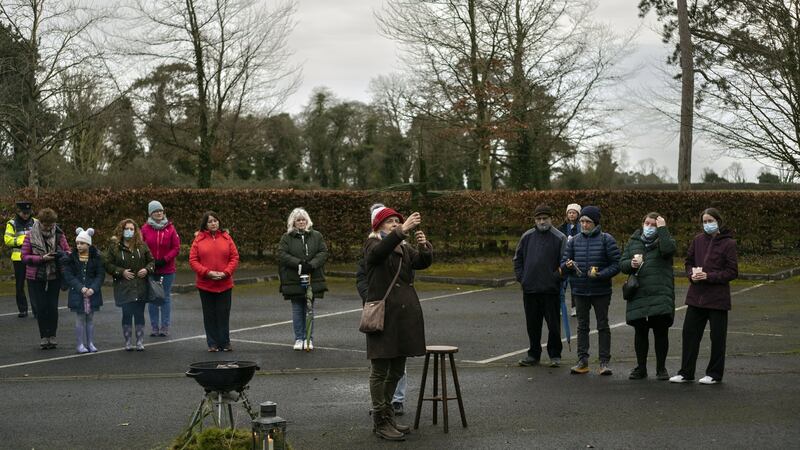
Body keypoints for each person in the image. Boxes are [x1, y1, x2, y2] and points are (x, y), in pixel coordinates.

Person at [363, 205, 431, 441]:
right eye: (390, 221)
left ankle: (388, 415)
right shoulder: (373, 244)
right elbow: (379, 253)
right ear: (379, 225)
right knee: (380, 370)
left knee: (397, 370)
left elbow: (421, 263)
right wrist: (402, 231)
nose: (395, 224)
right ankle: (380, 420)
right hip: (384, 316)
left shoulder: (402, 246)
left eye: (397, 221)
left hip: (403, 317)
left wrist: (424, 246)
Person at [671, 208, 738, 385]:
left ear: (718, 221)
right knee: (689, 334)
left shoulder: (729, 243)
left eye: (710, 221)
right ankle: (686, 372)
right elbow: (688, 262)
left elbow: (732, 272)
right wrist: (691, 274)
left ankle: (714, 374)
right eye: (704, 221)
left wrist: (709, 276)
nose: (707, 224)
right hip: (696, 297)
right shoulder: (698, 240)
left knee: (717, 338)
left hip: (717, 299)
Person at [560, 205, 620, 375]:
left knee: (602, 325)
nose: (584, 225)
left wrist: (601, 274)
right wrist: (568, 265)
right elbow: (564, 263)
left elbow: (616, 264)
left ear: (595, 223)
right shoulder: (574, 241)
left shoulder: (606, 239)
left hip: (601, 291)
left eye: (587, 221)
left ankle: (603, 362)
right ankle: (582, 361)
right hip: (579, 290)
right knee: (582, 326)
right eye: (582, 221)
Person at [619, 213, 677, 380]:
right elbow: (622, 264)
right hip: (638, 294)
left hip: (659, 294)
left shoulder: (666, 240)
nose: (650, 227)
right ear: (642, 223)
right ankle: (641, 367)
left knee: (660, 332)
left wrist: (663, 229)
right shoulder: (633, 241)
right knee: (640, 332)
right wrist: (630, 264)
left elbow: (668, 250)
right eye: (647, 223)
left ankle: (661, 368)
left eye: (654, 224)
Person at [513, 204, 567, 368]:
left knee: (553, 326)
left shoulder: (559, 237)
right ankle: (533, 354)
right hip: (530, 289)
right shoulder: (527, 236)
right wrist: (522, 278)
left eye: (545, 218)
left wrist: (555, 278)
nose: (542, 221)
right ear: (534, 220)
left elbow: (565, 262)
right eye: (539, 219)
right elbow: (518, 259)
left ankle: (555, 355)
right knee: (532, 325)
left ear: (551, 219)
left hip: (550, 290)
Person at [278, 208, 328, 351]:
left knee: (309, 309)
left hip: (312, 278)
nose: (301, 222)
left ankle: (308, 339)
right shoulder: (286, 237)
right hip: (294, 279)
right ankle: (299, 338)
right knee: (297, 309)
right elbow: (282, 254)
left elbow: (323, 252)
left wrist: (312, 265)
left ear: (307, 221)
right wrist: (299, 263)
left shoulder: (317, 236)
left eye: (303, 219)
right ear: (293, 222)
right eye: (298, 220)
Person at [189, 211, 240, 352]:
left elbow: (234, 257)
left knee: (223, 313)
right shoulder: (198, 240)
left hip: (225, 283)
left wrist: (226, 273)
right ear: (205, 224)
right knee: (209, 314)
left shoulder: (227, 238)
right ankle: (212, 343)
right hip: (206, 284)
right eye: (210, 221)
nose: (213, 223)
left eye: (215, 221)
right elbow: (193, 260)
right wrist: (207, 273)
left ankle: (225, 342)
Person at [21, 208, 70, 349]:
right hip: (36, 275)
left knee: (52, 307)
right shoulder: (30, 235)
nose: (49, 227)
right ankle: (44, 336)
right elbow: (24, 257)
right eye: (46, 225)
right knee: (41, 307)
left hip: (54, 274)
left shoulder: (59, 234)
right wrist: (41, 258)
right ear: (40, 222)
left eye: (51, 225)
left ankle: (52, 335)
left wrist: (60, 254)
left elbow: (68, 251)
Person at [105, 219, 154, 351]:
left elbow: (151, 261)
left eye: (132, 229)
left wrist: (147, 269)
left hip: (140, 286)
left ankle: (139, 341)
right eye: (127, 228)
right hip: (124, 287)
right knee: (126, 314)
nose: (129, 231)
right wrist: (121, 272)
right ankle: (127, 341)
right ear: (122, 230)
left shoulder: (142, 246)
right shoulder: (114, 247)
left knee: (139, 314)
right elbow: (108, 264)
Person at [141, 200, 181, 337]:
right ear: (150, 213)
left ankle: (165, 326)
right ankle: (154, 327)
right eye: (155, 211)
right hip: (151, 269)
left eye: (161, 211)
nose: (159, 213)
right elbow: (141, 247)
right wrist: (150, 262)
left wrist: (165, 260)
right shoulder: (145, 229)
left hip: (167, 269)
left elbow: (176, 248)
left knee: (165, 297)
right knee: (152, 298)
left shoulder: (170, 228)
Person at [61, 228, 104, 353]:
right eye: (78, 243)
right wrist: (81, 287)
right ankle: (80, 344)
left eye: (82, 243)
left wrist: (93, 288)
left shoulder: (96, 257)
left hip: (92, 293)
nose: (79, 246)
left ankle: (90, 343)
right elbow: (69, 275)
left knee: (90, 318)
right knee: (80, 318)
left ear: (88, 244)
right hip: (77, 293)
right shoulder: (71, 258)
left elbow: (100, 275)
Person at [5, 200, 36, 317]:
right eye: (24, 213)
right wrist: (23, 240)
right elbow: (7, 240)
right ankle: (23, 309)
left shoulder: (35, 222)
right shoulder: (11, 223)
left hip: (33, 257)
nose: (26, 215)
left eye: (28, 212)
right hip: (18, 258)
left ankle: (36, 309)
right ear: (19, 212)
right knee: (19, 285)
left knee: (34, 284)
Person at [557, 203, 581, 317]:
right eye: (570, 212)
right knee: (562, 283)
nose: (571, 215)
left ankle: (574, 307)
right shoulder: (562, 227)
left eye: (574, 213)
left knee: (574, 283)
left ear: (578, 214)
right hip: (564, 257)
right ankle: (560, 307)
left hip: (576, 257)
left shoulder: (581, 226)